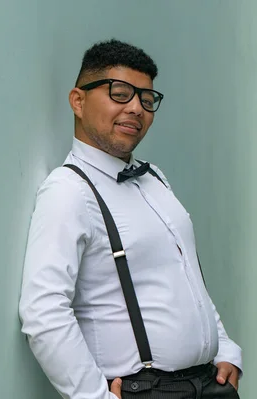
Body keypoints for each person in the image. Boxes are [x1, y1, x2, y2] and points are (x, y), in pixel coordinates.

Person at [18, 39, 242, 399]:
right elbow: (44, 311)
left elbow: (184, 276)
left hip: (211, 384)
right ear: (78, 101)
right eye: (120, 93)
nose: (136, 108)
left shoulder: (154, 177)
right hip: (148, 390)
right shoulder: (69, 190)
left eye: (146, 99)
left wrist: (227, 348)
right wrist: (95, 397)